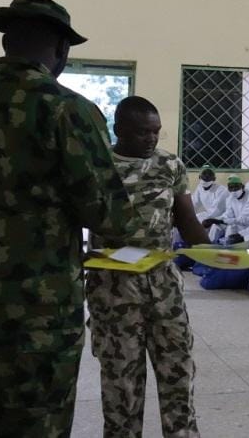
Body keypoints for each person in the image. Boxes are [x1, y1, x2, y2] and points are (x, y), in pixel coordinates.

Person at [0, 0, 137, 436]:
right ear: (61, 49)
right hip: (37, 296)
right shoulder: (68, 109)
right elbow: (108, 214)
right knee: (37, 415)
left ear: (7, 42)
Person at [86, 96, 209, 437]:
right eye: (142, 133)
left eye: (156, 132)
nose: (152, 139)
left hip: (163, 286)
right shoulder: (97, 165)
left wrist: (222, 253)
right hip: (112, 288)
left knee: (177, 371)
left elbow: (187, 222)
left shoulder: (170, 166)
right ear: (119, 129)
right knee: (120, 378)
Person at [203, 176, 249, 242]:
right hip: (236, 224)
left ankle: (228, 247)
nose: (234, 190)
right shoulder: (230, 198)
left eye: (236, 187)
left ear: (242, 187)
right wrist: (215, 220)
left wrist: (222, 221)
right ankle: (210, 245)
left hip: (248, 227)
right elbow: (228, 215)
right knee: (216, 226)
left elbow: (245, 220)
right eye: (231, 188)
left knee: (230, 228)